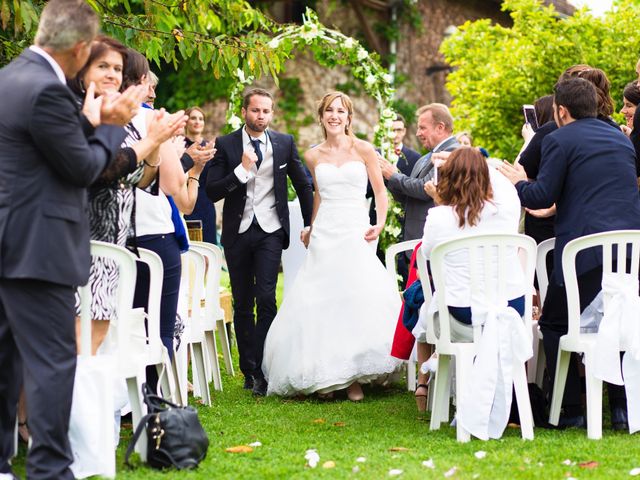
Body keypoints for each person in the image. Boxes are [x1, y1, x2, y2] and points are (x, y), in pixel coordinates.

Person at [0, 0, 142, 477]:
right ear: (80, 49)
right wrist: (114, 123)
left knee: (6, 362)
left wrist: (88, 124)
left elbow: (47, 144)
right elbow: (81, 167)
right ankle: (50, 469)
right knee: (52, 364)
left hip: (8, 241)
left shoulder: (10, 78)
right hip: (37, 247)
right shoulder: (45, 90)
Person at [499, 77, 640, 430]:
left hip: (584, 259)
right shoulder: (622, 141)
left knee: (553, 324)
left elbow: (541, 196)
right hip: (627, 256)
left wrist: (518, 181)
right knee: (617, 323)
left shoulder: (560, 139)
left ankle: (570, 411)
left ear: (561, 111)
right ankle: (622, 412)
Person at [262, 91, 401, 400]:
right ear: (322, 117)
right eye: (329, 111)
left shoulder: (364, 149)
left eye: (340, 111)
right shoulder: (312, 156)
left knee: (355, 295)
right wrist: (311, 226)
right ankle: (330, 373)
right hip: (326, 230)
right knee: (324, 297)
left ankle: (356, 374)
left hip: (355, 229)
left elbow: (380, 192)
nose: (335, 115)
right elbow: (320, 194)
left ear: (348, 117)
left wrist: (378, 223)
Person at [68, 36, 187, 355]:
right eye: (102, 66)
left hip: (113, 244)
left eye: (117, 69)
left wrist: (154, 147)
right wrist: (152, 141)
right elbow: (98, 169)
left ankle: (114, 403)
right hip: (79, 243)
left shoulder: (119, 119)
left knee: (102, 339)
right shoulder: (75, 111)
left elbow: (139, 178)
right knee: (79, 344)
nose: (111, 75)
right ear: (81, 70)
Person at [206, 88, 314, 396]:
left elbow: (302, 184)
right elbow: (212, 191)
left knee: (266, 297)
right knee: (243, 302)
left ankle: (266, 365)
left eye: (266, 111)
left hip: (270, 230)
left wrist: (310, 223)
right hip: (238, 232)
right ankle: (249, 369)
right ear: (244, 112)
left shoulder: (283, 143)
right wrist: (241, 170)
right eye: (256, 111)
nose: (261, 116)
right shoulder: (225, 145)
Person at [413, 147, 523, 412]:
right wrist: (481, 164)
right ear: (487, 177)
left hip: (463, 318)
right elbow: (502, 186)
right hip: (511, 309)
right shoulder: (506, 212)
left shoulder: (439, 217)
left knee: (426, 301)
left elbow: (428, 254)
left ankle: (426, 380)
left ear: (447, 179)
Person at [382, 104, 459, 361]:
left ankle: (430, 369)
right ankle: (420, 366)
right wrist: (390, 180)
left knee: (427, 303)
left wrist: (394, 175)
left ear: (440, 127)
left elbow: (426, 189)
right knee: (417, 304)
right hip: (416, 237)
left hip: (432, 240)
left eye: (423, 127)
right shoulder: (427, 157)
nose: (418, 133)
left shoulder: (452, 153)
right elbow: (408, 197)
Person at [183, 106, 218, 244]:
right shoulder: (179, 145)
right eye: (193, 118)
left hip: (205, 203)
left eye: (200, 118)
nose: (197, 121)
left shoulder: (211, 147)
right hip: (184, 200)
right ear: (186, 121)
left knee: (208, 247)